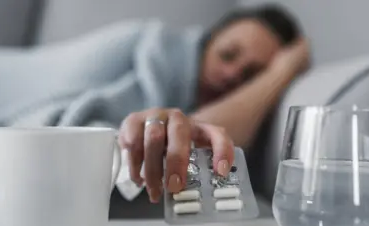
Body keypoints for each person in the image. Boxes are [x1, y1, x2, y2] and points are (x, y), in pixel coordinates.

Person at [113, 4, 310, 214]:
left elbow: (201, 137)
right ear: (209, 40)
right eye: (227, 55)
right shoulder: (147, 48)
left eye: (251, 76)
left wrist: (281, 73)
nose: (231, 74)